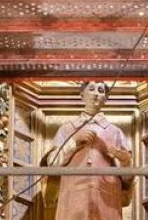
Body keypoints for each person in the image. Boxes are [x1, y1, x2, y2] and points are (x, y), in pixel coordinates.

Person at [52, 81, 133, 220]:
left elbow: (127, 178)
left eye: (101, 91)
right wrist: (74, 141)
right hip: (73, 197)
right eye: (91, 89)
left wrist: (125, 160)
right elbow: (52, 164)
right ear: (82, 95)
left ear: (106, 99)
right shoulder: (67, 128)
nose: (96, 94)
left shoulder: (115, 132)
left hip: (105, 197)